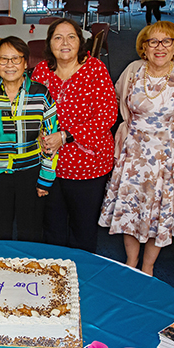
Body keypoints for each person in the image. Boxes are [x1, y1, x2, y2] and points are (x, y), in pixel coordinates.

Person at [99, 21, 174, 275]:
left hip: (168, 157)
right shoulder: (134, 70)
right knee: (131, 208)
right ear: (144, 47)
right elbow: (115, 98)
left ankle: (148, 266)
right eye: (152, 41)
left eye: (167, 41)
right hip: (133, 153)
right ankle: (132, 261)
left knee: (159, 212)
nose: (159, 47)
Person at [32, 18, 118, 252]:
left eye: (71, 36)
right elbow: (30, 111)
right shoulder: (41, 71)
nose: (65, 42)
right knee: (52, 227)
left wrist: (66, 135)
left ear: (80, 42)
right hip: (50, 165)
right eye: (57, 37)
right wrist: (39, 134)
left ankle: (82, 280)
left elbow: (107, 115)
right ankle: (54, 279)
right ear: (49, 44)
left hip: (88, 166)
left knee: (83, 229)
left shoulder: (95, 69)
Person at [0, 36, 59, 242]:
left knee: (31, 233)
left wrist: (46, 178)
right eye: (3, 60)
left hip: (31, 174)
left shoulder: (40, 94)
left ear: (25, 62)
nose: (9, 65)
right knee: (0, 234)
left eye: (15, 59)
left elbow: (51, 139)